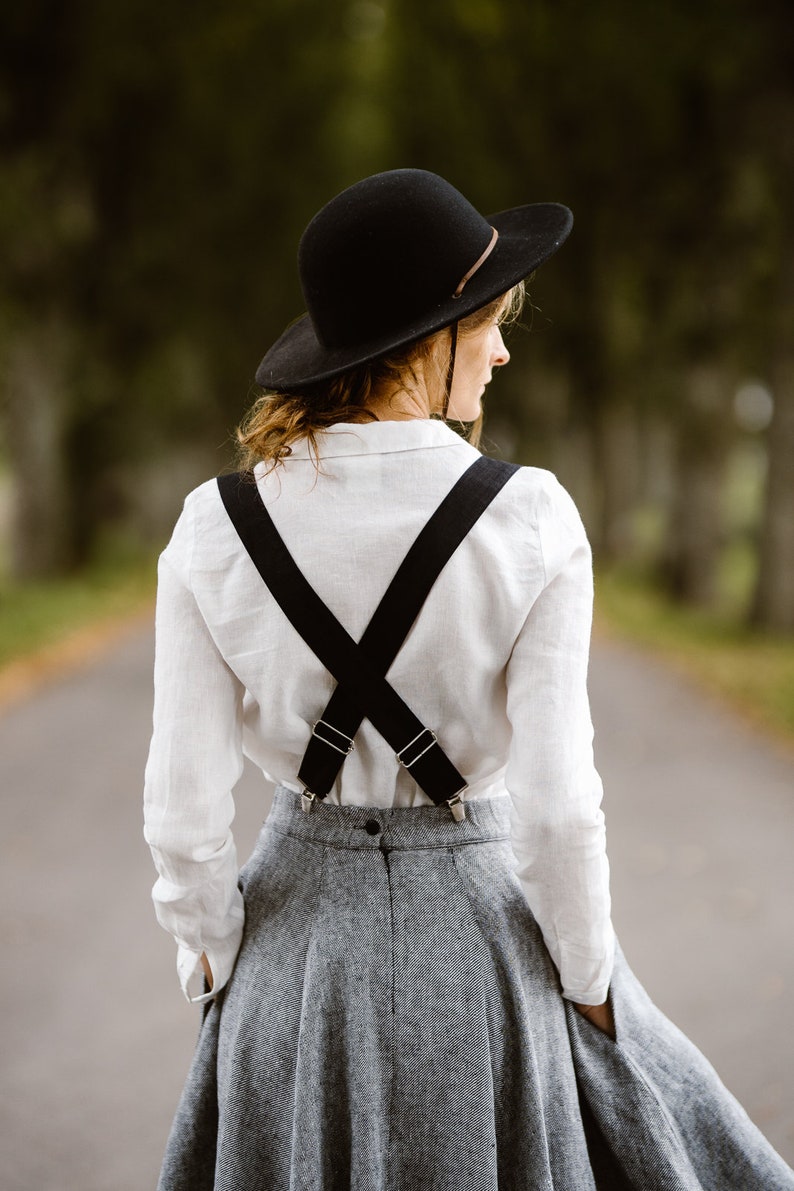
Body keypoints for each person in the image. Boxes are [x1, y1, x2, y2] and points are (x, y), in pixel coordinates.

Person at [144, 169, 794, 1190]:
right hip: (480, 954)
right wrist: (584, 982)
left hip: (290, 962)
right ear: (423, 339)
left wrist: (217, 959)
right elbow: (556, 814)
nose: (497, 349)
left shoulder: (211, 527)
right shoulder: (528, 517)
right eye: (485, 322)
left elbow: (183, 819)